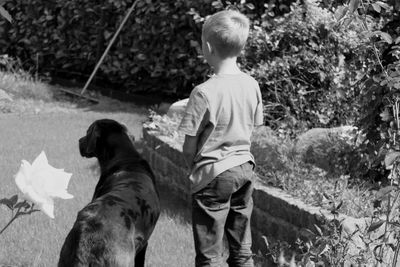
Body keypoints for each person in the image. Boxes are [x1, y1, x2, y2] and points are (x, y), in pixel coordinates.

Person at [178, 9, 264, 267]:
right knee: (242, 249)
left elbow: (190, 142)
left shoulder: (203, 92)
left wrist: (191, 166)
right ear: (242, 46)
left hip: (213, 176)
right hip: (245, 170)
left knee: (210, 255)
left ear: (207, 47)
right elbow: (254, 127)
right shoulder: (252, 84)